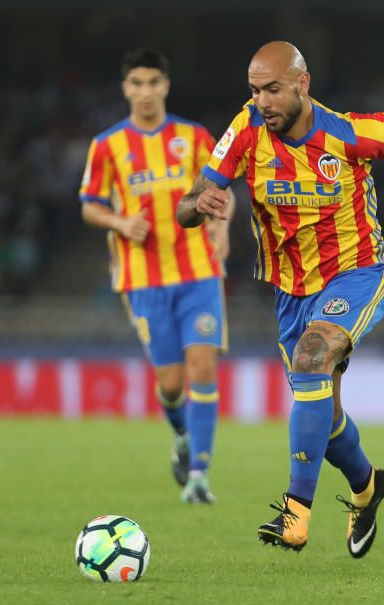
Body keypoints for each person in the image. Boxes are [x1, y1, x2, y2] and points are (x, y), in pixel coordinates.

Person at [177, 41, 384, 556]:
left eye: (273, 89)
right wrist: (200, 202)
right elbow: (184, 207)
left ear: (302, 85)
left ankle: (295, 514)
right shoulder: (244, 132)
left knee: (313, 357)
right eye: (254, 91)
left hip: (356, 274)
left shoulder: (347, 133)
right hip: (291, 292)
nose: (262, 101)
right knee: (323, 417)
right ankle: (369, 486)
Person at [80, 49, 232, 505]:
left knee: (203, 366)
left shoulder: (194, 136)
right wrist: (121, 224)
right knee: (170, 385)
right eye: (137, 83)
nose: (145, 92)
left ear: (166, 85)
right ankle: (182, 437)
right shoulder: (107, 145)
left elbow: (221, 192)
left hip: (199, 273)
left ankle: (199, 476)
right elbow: (89, 203)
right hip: (142, 279)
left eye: (153, 82)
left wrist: (221, 229)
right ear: (125, 88)